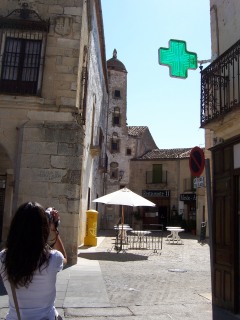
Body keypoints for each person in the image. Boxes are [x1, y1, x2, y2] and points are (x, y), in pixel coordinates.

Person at [0, 202, 67, 320]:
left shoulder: (3, 258)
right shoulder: (53, 258)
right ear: (43, 228)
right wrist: (54, 229)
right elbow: (64, 259)